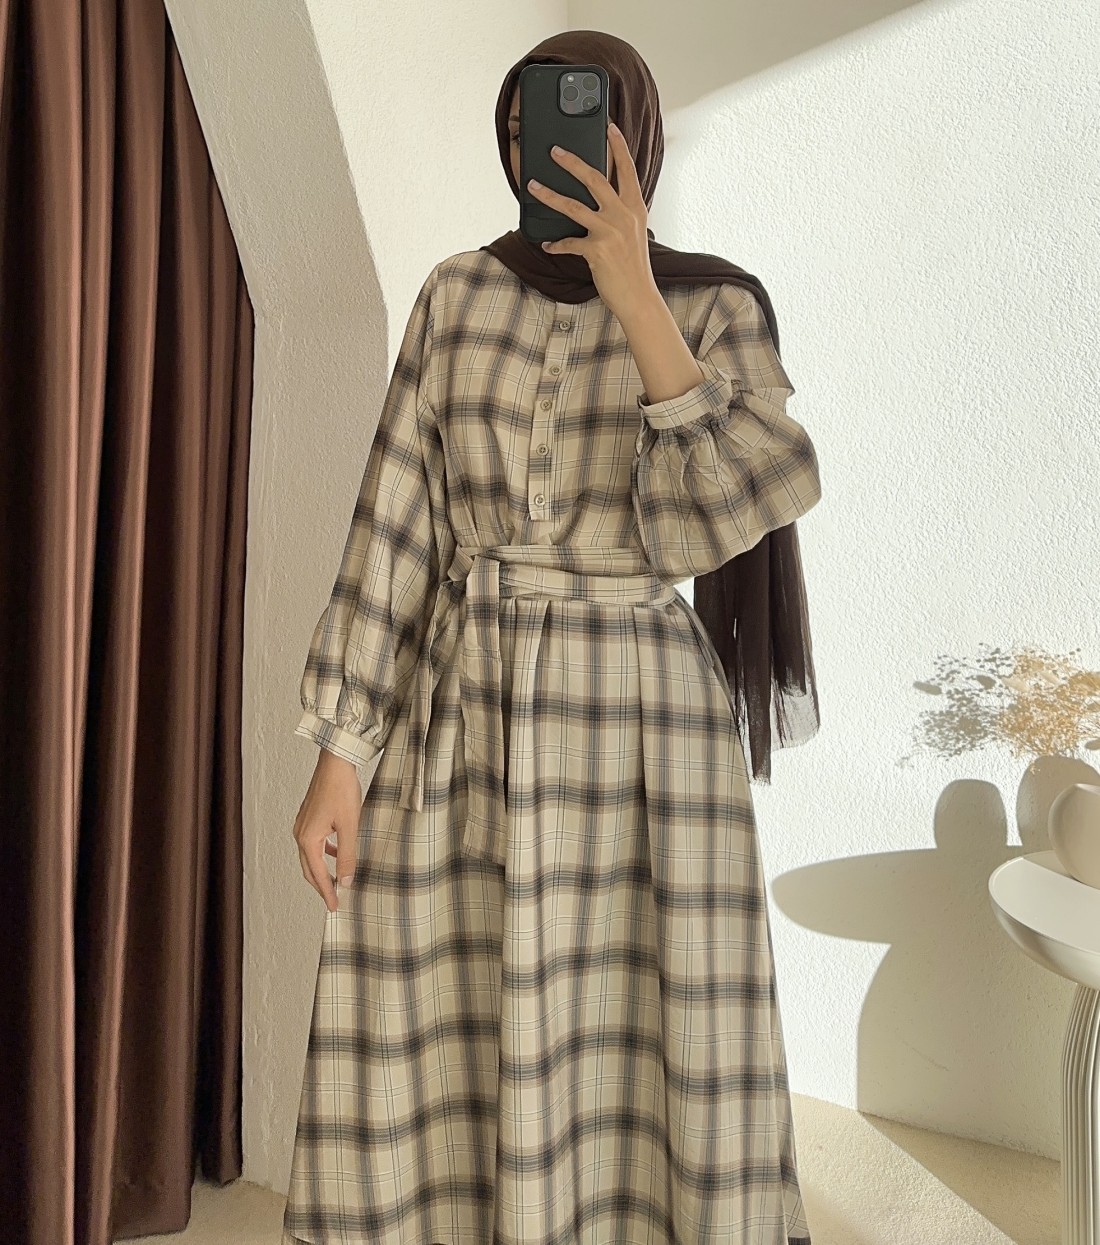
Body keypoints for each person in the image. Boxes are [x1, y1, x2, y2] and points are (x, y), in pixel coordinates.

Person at [281, 29, 821, 1245]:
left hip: (643, 735)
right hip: (463, 709)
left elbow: (715, 519)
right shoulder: (455, 295)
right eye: (524, 134)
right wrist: (339, 756)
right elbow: (396, 524)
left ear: (636, 141)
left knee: (640, 1037)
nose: (546, 156)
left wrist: (634, 295)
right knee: (423, 1006)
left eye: (576, 130)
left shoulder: (716, 304)